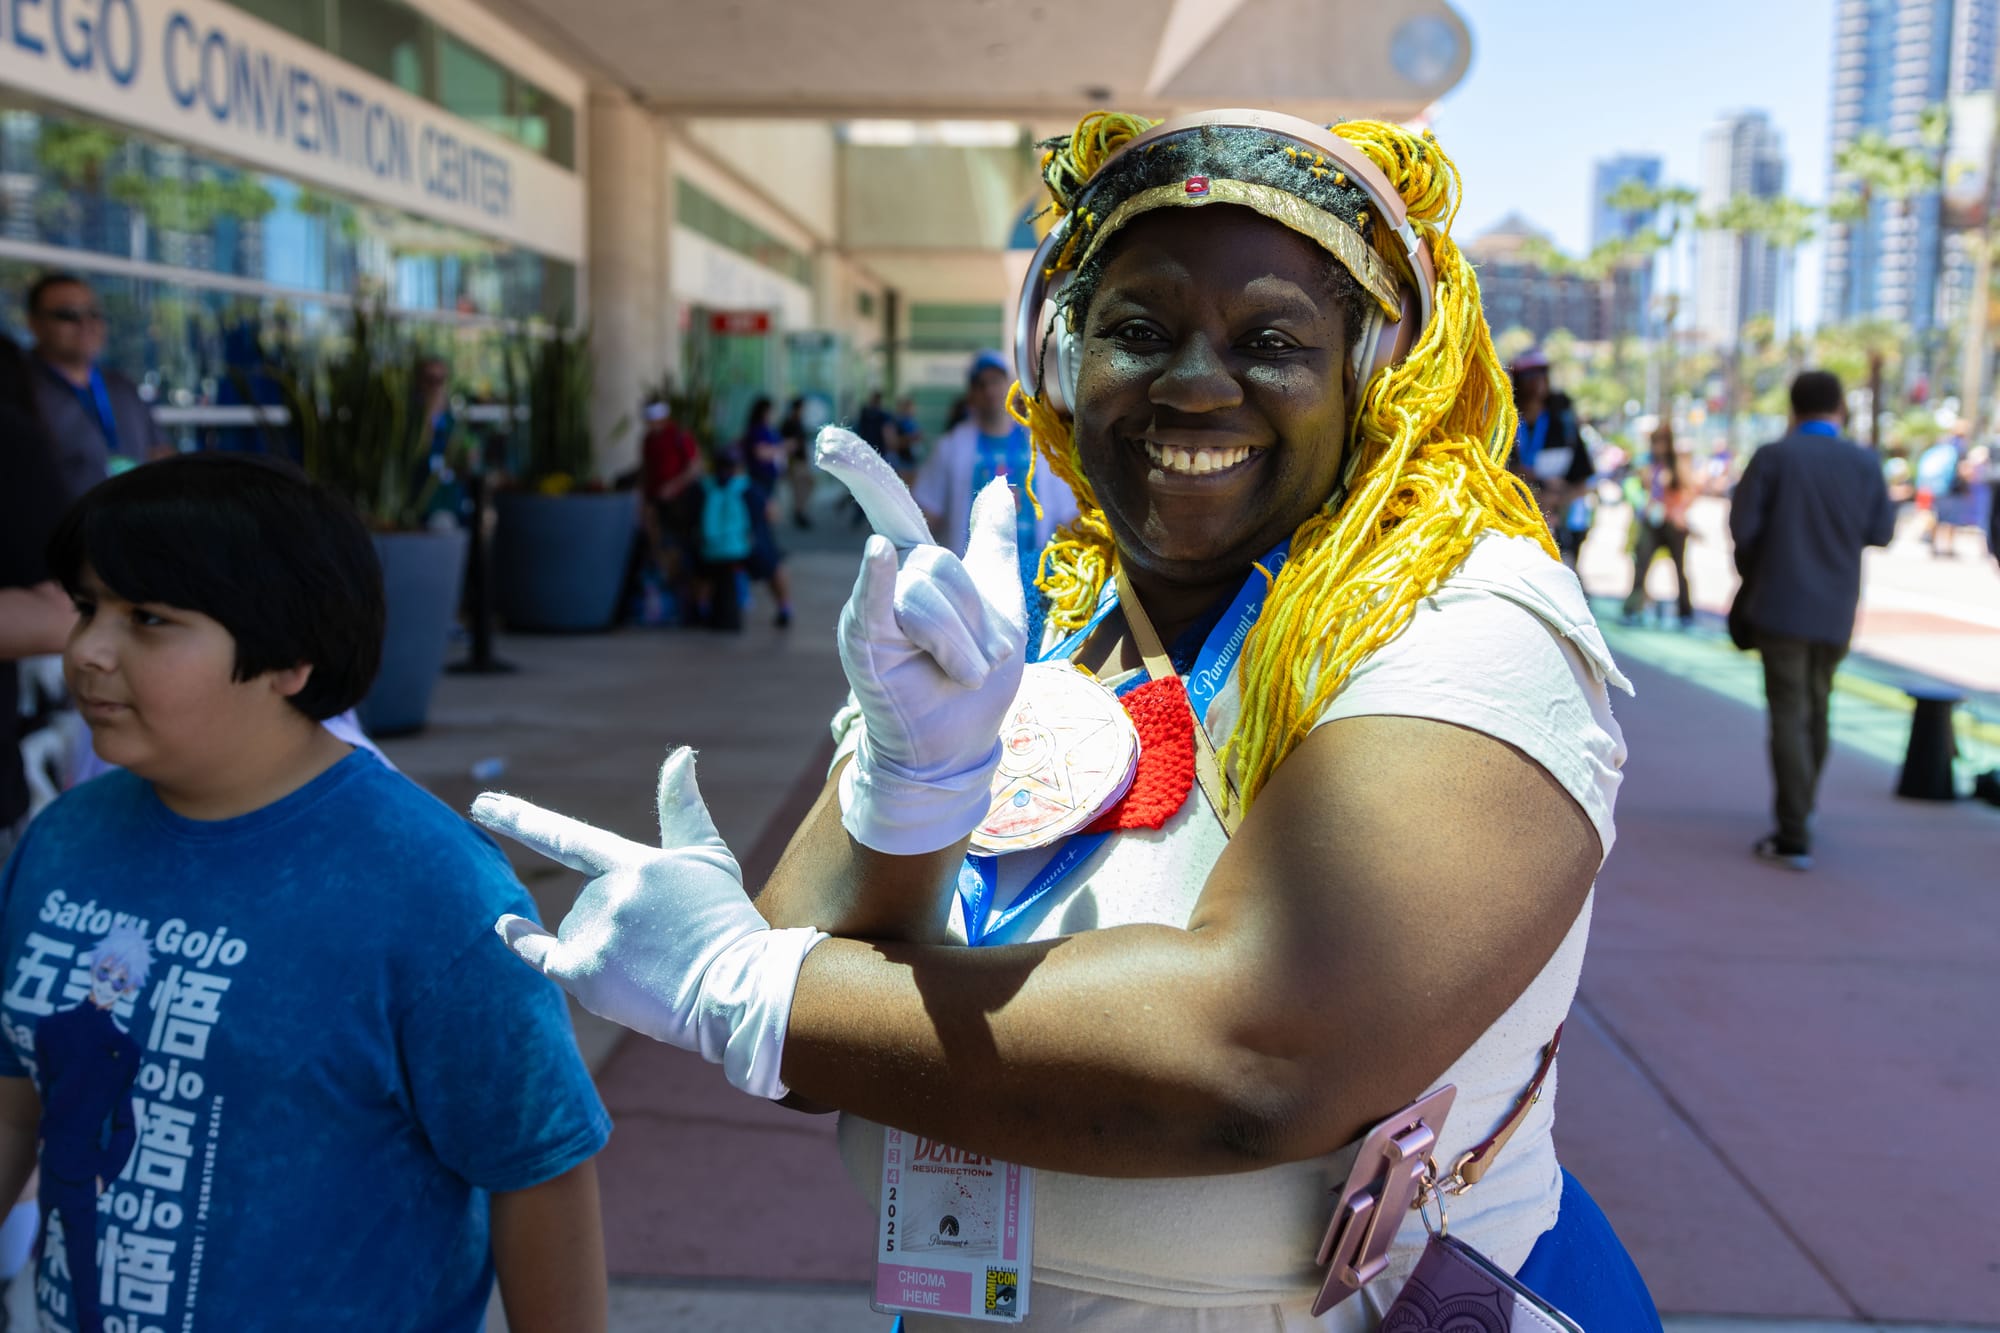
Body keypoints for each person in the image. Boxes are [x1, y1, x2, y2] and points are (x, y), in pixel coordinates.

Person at [470, 110, 1661, 1330]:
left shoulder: (1466, 618)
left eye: (1269, 340)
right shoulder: (1031, 603)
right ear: (1060, 359)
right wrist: (904, 787)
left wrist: (743, 987)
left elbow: (1254, 1055)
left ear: (1371, 372)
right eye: (1136, 332)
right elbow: (814, 1008)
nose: (1195, 384)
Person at [0, 454, 611, 1332]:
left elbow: (538, 1172)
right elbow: (18, 1103)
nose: (89, 649)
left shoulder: (433, 888)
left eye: (149, 618)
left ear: (290, 656)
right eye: (88, 606)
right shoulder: (61, 842)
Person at [1729, 370, 1896, 871]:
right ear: (1840, 407)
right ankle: (1804, 809)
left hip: (1781, 604)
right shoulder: (1864, 463)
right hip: (1838, 607)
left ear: (1793, 408)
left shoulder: (1774, 457)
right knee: (1819, 707)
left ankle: (1793, 830)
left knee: (1787, 712)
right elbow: (1882, 531)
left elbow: (1743, 529)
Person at [913, 350, 1080, 592]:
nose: (989, 390)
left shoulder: (1042, 444)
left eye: (995, 381)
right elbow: (927, 512)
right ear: (971, 395)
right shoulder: (951, 446)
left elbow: (1069, 515)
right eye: (980, 384)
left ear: (1010, 385)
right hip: (969, 585)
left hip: (1034, 581)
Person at [25, 273, 169, 501]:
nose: (86, 324)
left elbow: (160, 452)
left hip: (130, 524)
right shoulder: (19, 391)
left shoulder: (122, 387)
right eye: (67, 315)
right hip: (57, 531)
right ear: (34, 323)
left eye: (94, 314)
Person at [1507, 351, 1593, 545]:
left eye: (1542, 373)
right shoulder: (1502, 424)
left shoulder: (1563, 425)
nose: (1537, 381)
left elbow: (1584, 479)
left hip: (1559, 529)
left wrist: (1558, 499)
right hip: (1511, 525)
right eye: (1529, 375)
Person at [1621, 424, 1697, 626]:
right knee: (1641, 564)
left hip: (1674, 524)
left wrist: (1676, 510)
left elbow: (1689, 490)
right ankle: (1633, 607)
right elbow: (1633, 487)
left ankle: (1685, 612)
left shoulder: (1677, 464)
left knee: (1680, 569)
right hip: (1651, 521)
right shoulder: (1646, 463)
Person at [640, 397, 705, 616]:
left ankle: (693, 602)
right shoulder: (649, 439)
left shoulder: (678, 436)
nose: (650, 422)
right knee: (661, 548)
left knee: (684, 549)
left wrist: (674, 486)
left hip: (681, 504)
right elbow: (647, 470)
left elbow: (695, 466)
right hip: (657, 504)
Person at [735, 398, 795, 627]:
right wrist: (782, 448)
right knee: (768, 557)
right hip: (759, 499)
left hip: (763, 495)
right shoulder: (757, 433)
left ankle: (783, 607)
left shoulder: (760, 432)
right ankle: (782, 606)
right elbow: (761, 454)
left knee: (766, 556)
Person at [779, 396, 815, 529]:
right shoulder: (789, 423)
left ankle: (799, 511)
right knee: (799, 488)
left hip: (801, 460)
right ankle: (799, 513)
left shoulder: (798, 422)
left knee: (807, 485)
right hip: (794, 461)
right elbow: (783, 441)